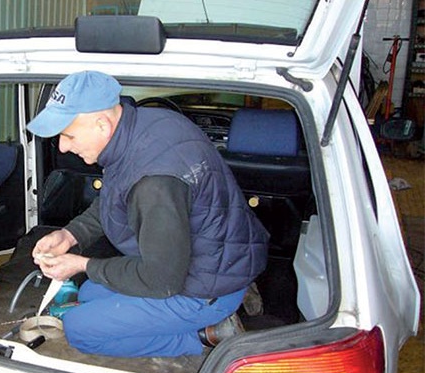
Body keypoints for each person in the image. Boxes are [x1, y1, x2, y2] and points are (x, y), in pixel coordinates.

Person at [27, 71, 269, 358]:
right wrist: (70, 235)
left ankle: (207, 335)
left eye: (68, 135)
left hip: (204, 288)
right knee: (90, 292)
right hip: (221, 259)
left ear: (102, 124)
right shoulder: (148, 125)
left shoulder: (154, 184)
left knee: (79, 329)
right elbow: (114, 199)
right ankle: (223, 302)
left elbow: (161, 280)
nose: (63, 146)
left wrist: (81, 264)